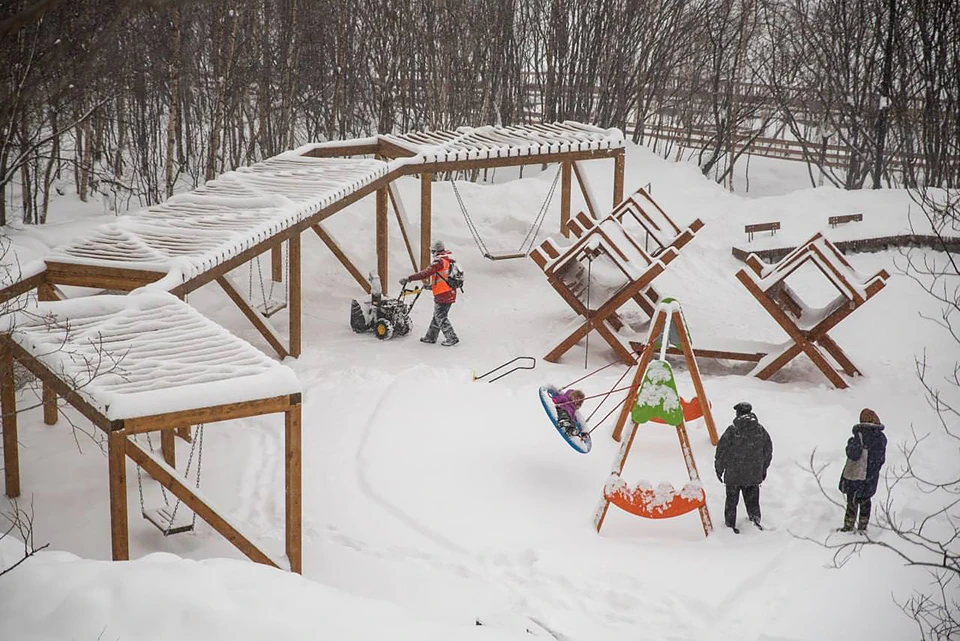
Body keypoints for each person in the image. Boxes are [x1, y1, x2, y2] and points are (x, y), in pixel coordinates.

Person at [715, 401, 773, 533]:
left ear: (738, 413)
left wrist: (719, 469)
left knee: (731, 502)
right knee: (752, 501)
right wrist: (763, 468)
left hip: (733, 474)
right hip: (753, 474)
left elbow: (721, 452)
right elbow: (768, 451)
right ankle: (755, 521)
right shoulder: (760, 430)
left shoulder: (732, 431)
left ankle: (730, 526)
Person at [400, 239, 459, 346]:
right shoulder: (448, 259)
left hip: (443, 294)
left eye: (432, 251)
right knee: (438, 315)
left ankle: (452, 337)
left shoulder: (438, 262)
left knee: (440, 316)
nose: (432, 253)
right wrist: (431, 287)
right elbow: (443, 277)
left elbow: (425, 273)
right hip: (449, 291)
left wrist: (409, 278)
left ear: (435, 251)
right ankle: (431, 337)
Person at [838, 408, 887, 532]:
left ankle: (848, 526)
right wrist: (873, 470)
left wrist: (850, 444)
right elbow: (881, 459)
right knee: (865, 500)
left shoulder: (860, 435)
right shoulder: (881, 438)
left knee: (852, 501)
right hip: (871, 476)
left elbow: (853, 454)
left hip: (857, 475)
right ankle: (863, 526)